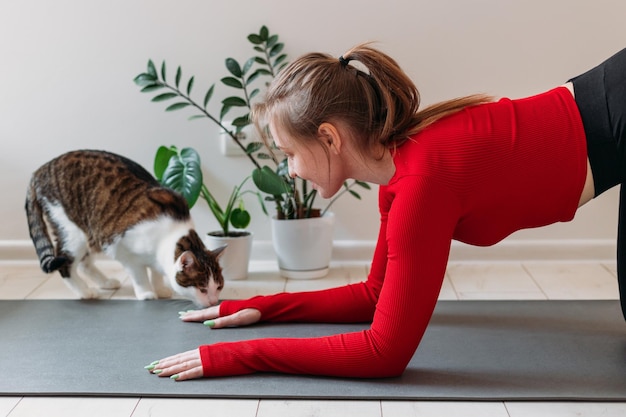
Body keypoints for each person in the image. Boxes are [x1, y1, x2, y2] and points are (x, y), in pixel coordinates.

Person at [145, 44, 626, 381]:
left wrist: (239, 356)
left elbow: (384, 352)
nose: (289, 170)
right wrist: (259, 309)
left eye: (289, 153)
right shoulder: (398, 173)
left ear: (330, 138)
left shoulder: (421, 183)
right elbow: (376, 295)